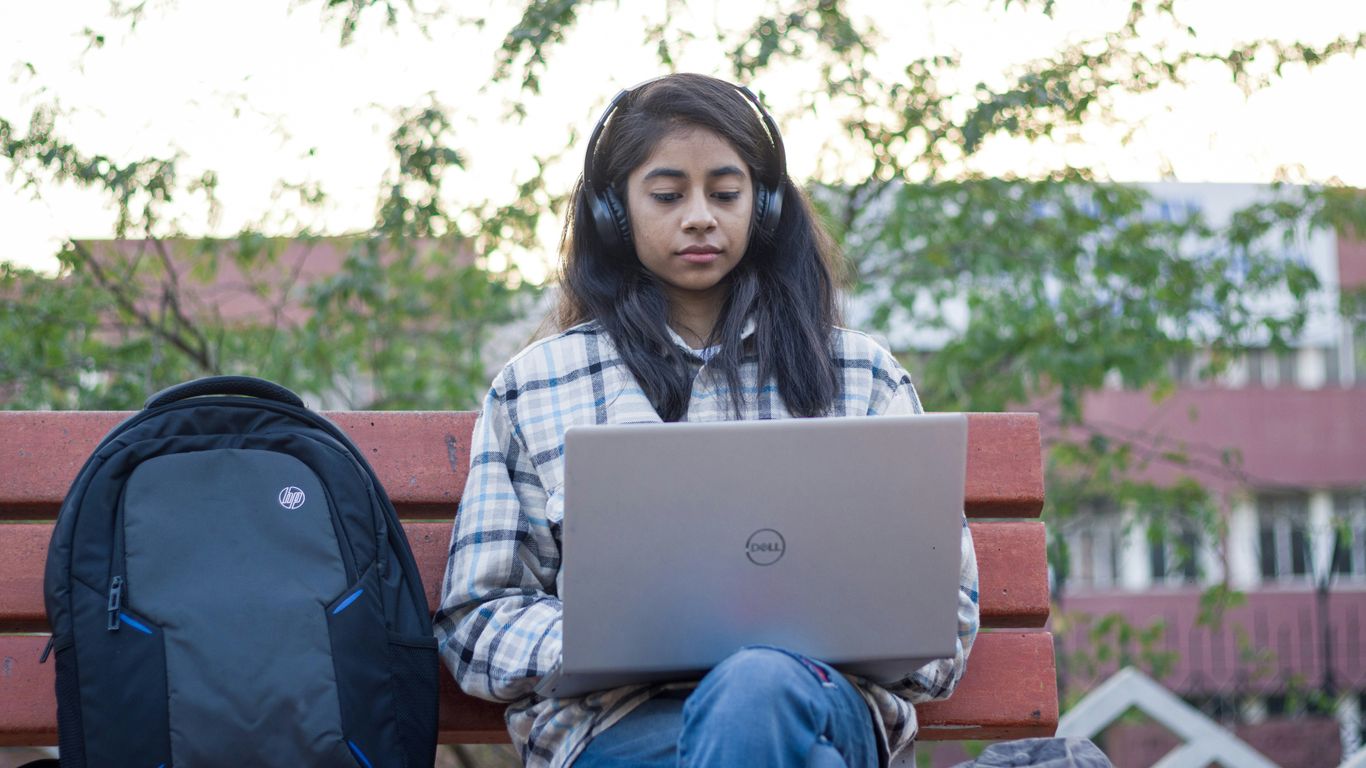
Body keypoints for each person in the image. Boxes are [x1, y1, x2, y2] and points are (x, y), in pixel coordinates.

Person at [434, 73, 979, 768]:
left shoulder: (862, 376)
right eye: (667, 195)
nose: (699, 216)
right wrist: (601, 640)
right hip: (621, 728)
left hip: (816, 701)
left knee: (757, 688)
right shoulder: (536, 388)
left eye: (725, 194)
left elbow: (946, 609)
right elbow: (476, 619)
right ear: (614, 213)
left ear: (766, 207)